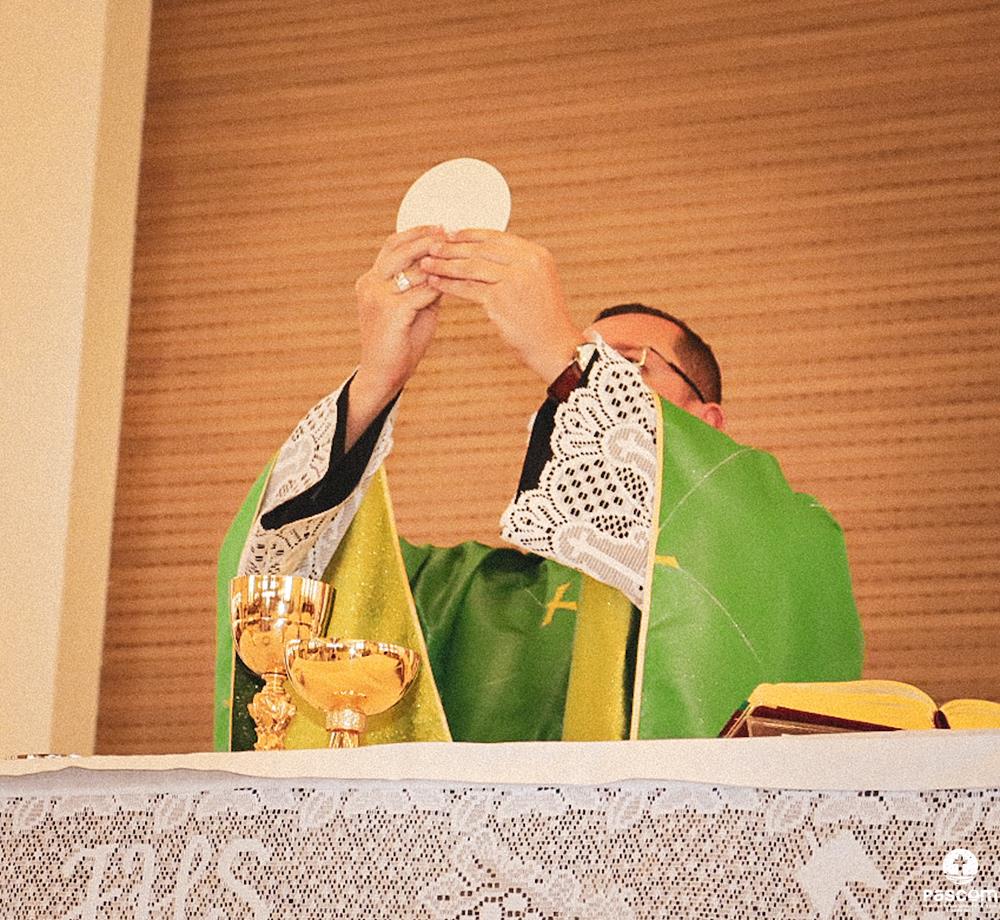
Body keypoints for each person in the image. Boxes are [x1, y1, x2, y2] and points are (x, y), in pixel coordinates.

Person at [215, 227, 864, 751]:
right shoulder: (459, 597)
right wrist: (374, 385)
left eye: (624, 366)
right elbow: (279, 582)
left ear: (709, 423)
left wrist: (560, 349)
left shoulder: (789, 540)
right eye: (577, 375)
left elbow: (733, 552)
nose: (579, 390)